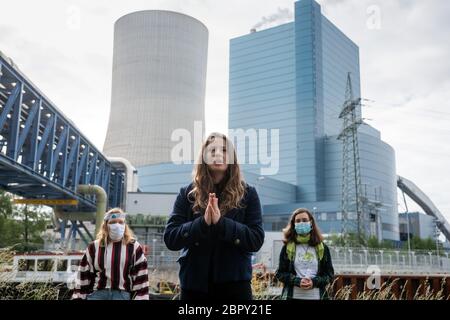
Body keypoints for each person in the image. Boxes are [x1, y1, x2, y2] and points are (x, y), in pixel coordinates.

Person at [163, 132, 265, 300]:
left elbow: (256, 239)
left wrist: (221, 223)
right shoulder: (187, 194)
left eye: (224, 150)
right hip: (194, 287)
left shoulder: (248, 194)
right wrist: (202, 223)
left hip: (235, 287)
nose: (218, 154)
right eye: (212, 151)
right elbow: (171, 238)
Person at [71, 208, 149, 300]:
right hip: (97, 294)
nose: (117, 225)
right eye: (113, 222)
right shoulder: (94, 247)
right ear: (106, 225)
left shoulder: (134, 247)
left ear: (125, 225)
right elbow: (83, 275)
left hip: (121, 295)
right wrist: (78, 297)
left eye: (121, 222)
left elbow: (141, 276)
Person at [275, 208, 334, 300]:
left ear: (311, 223)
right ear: (293, 224)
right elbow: (279, 273)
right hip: (292, 296)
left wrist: (314, 282)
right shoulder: (287, 248)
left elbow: (329, 275)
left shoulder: (323, 248)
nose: (301, 223)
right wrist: (297, 281)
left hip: (317, 296)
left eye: (304, 220)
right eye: (298, 221)